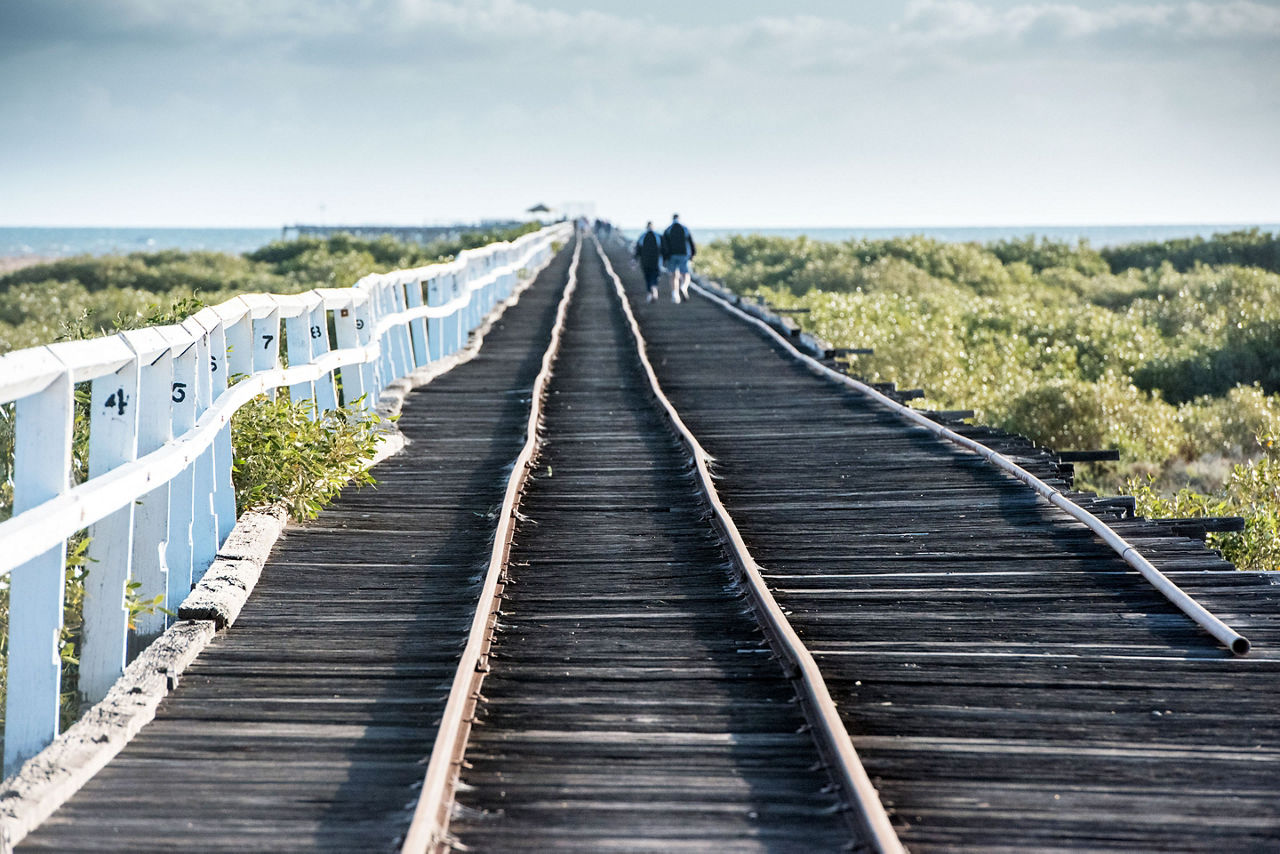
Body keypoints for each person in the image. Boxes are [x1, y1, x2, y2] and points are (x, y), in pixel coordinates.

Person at [661, 213, 696, 303]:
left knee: (673, 275)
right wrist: (693, 254)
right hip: (684, 255)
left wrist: (664, 258)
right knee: (685, 274)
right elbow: (691, 242)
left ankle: (675, 295)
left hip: (671, 255)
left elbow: (663, 245)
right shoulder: (685, 228)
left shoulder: (668, 229)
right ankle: (683, 287)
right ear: (679, 219)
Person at [634, 221, 663, 303]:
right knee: (655, 276)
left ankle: (649, 294)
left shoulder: (642, 236)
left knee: (647, 278)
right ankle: (654, 290)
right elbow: (663, 249)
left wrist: (635, 259)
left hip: (645, 262)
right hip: (656, 261)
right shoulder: (658, 236)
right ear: (653, 227)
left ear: (646, 227)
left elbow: (638, 250)